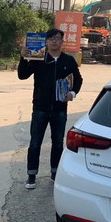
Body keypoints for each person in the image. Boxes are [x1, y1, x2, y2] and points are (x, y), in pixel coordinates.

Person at [18, 28, 83, 189]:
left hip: (60, 109)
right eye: (51, 38)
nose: (54, 41)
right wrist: (23, 57)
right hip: (40, 108)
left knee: (58, 143)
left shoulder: (68, 60)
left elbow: (78, 79)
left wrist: (72, 93)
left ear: (62, 41)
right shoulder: (39, 58)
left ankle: (55, 173)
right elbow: (22, 75)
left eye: (57, 38)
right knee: (35, 142)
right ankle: (31, 175)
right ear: (46, 41)